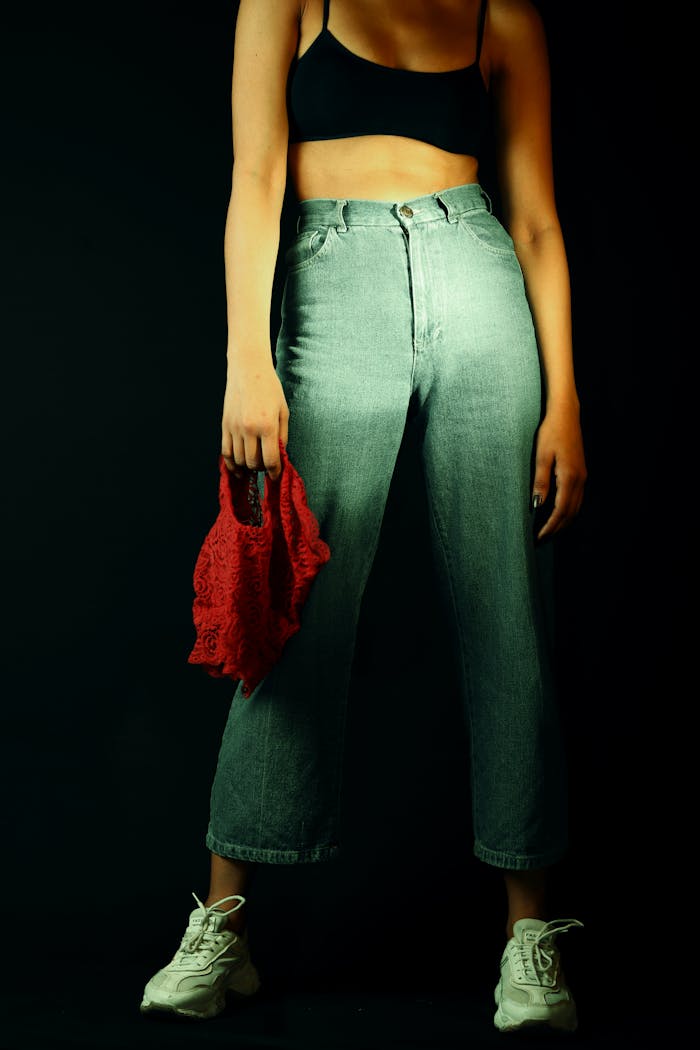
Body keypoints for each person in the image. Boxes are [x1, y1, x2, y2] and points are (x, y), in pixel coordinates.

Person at [140, 0, 587, 1033]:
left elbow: (536, 219)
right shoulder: (288, 4)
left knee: (510, 608)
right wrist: (244, 360)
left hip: (478, 277)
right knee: (290, 598)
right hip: (331, 278)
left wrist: (565, 398)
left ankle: (530, 941)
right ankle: (224, 925)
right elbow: (255, 179)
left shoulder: (500, 16)